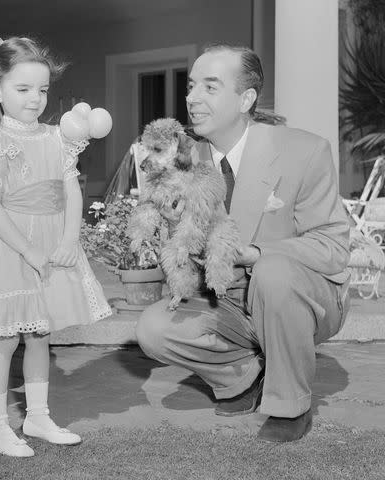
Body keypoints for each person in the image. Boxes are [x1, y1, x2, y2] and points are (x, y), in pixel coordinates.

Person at [136, 45, 351, 442]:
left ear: (246, 99)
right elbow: (186, 250)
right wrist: (171, 229)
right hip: (228, 296)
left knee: (272, 272)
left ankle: (290, 405)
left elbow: (332, 247)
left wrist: (258, 253)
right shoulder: (183, 157)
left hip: (300, 295)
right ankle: (241, 379)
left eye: (210, 87)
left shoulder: (304, 151)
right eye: (191, 86)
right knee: (153, 329)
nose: (192, 98)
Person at [0, 37, 112, 457]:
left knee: (40, 333)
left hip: (51, 240)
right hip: (12, 245)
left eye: (42, 90)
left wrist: (70, 237)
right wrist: (28, 250)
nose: (35, 99)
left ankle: (37, 415)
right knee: (6, 338)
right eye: (23, 90)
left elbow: (71, 190)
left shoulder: (59, 138)